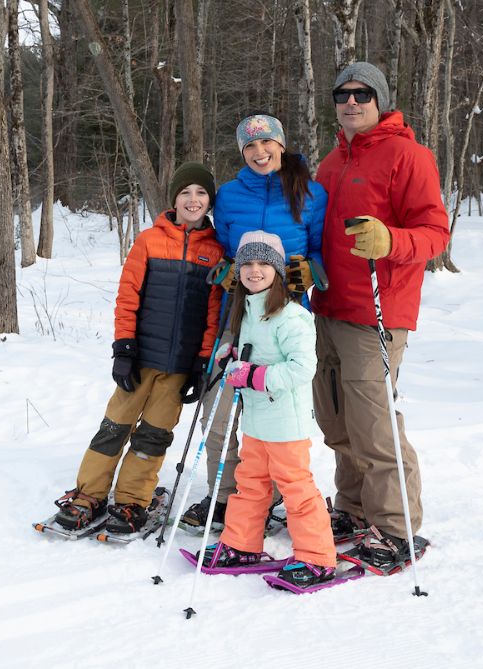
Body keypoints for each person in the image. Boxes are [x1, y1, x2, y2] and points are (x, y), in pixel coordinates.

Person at [313, 62, 450, 566]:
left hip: (377, 309)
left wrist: (391, 240)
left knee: (373, 421)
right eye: (342, 93)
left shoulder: (408, 155)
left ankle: (396, 527)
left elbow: (435, 232)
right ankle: (352, 506)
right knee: (335, 417)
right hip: (328, 306)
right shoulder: (331, 163)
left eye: (362, 93)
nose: (351, 102)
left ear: (381, 99)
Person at [51, 162, 224, 535]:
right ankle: (89, 494)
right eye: (185, 193)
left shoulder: (215, 250)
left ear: (209, 201)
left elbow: (213, 312)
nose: (193, 200)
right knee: (115, 427)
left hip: (178, 367)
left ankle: (131, 499)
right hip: (140, 359)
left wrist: (201, 361)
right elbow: (127, 296)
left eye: (201, 193)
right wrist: (123, 349)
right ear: (174, 199)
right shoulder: (149, 240)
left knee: (154, 435)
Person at [180, 113, 327, 531]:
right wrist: (226, 270)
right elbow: (222, 247)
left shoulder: (311, 194)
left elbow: (320, 252)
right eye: (250, 146)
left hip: (284, 311)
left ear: (281, 145)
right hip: (235, 312)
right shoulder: (227, 195)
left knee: (274, 400)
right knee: (222, 401)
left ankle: (271, 493)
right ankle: (225, 496)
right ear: (241, 152)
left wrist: (310, 272)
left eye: (267, 144)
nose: (260, 153)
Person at [196, 231, 336, 588]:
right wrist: (233, 356)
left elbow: (303, 368)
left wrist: (255, 375)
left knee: (296, 489)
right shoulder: (245, 311)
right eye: (247, 264)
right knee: (251, 484)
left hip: (285, 423)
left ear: (276, 270)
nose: (254, 271)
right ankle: (241, 544)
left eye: (263, 264)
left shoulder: (291, 316)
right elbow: (250, 354)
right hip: (257, 421)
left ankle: (318, 557)